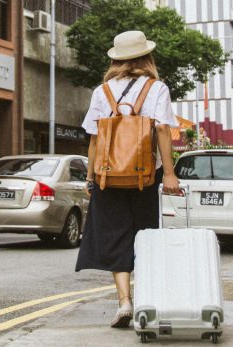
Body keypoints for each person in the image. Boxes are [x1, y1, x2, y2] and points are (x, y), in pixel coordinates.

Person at [75, 30, 180, 328]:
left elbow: (94, 137)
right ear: (146, 57)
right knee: (143, 236)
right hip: (144, 176)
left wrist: (91, 176)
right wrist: (170, 174)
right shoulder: (157, 88)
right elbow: (162, 130)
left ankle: (124, 301)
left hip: (108, 176)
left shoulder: (102, 91)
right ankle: (145, 298)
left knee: (113, 236)